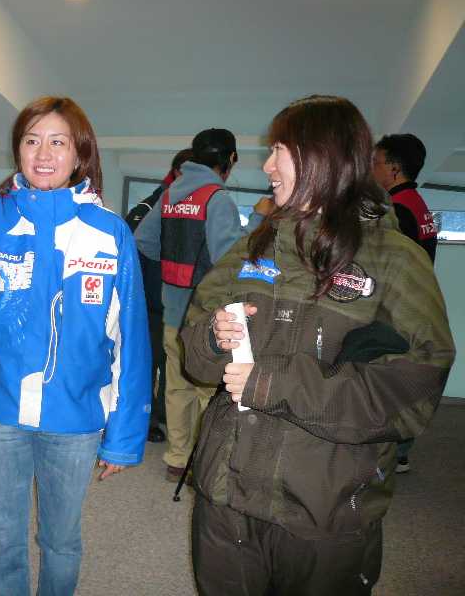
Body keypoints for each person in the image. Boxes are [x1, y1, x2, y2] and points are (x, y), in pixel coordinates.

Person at [180, 95, 455, 595]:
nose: (267, 166)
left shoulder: (396, 262)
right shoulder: (253, 246)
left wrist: (275, 383)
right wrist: (213, 337)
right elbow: (195, 352)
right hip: (226, 495)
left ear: (322, 157)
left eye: (279, 151)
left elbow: (413, 390)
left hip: (324, 511)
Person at [0, 96, 151, 596]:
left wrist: (124, 436)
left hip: (76, 416)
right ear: (18, 149)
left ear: (80, 153)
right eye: (32, 140)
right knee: (2, 540)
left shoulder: (110, 233)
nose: (44, 153)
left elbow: (131, 340)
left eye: (58, 141)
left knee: (61, 541)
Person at [135, 129, 273, 481]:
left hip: (172, 310)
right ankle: (199, 461)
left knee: (176, 386)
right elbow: (232, 256)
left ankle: (177, 458)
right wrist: (258, 221)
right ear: (231, 159)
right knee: (205, 389)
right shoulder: (217, 198)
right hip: (206, 316)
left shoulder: (170, 194)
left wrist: (174, 270)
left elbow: (144, 241)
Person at [373, 133, 438, 474]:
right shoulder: (419, 204)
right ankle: (400, 451)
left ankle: (392, 451)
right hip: (418, 303)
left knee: (389, 378)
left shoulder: (397, 210)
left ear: (394, 168)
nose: (373, 169)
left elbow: (389, 265)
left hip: (397, 309)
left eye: (377, 162)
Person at [125, 148, 193, 443]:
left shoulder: (195, 205)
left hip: (179, 304)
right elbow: (131, 254)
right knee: (147, 364)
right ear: (177, 172)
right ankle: (145, 419)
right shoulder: (151, 206)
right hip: (149, 302)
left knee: (173, 365)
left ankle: (165, 413)